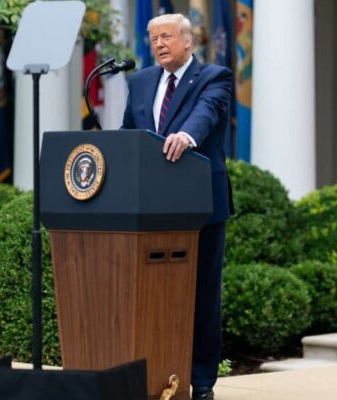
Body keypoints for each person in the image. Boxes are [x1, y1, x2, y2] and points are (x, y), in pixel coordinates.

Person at [121, 13, 233, 400]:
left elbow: (207, 112)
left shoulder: (214, 76)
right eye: (153, 38)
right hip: (148, 208)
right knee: (152, 296)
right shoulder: (138, 82)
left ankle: (200, 383)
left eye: (166, 36)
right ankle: (154, 374)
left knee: (201, 295)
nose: (158, 44)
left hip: (200, 203)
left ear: (188, 41)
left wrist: (186, 135)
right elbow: (128, 135)